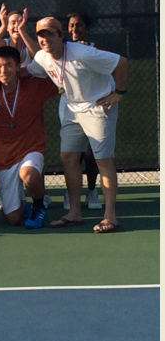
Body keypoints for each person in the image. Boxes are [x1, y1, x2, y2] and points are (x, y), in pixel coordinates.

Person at [23, 17, 127, 233]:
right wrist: (4, 75)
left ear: (61, 36)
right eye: (41, 36)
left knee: (103, 160)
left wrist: (118, 93)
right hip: (72, 108)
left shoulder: (83, 53)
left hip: (98, 106)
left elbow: (121, 62)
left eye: (50, 35)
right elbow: (30, 71)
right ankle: (74, 213)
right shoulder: (42, 56)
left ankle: (110, 217)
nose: (45, 40)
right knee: (68, 157)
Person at [0, 46, 58, 228]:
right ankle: (20, 206)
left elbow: (61, 77)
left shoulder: (35, 86)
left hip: (31, 149)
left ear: (18, 66)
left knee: (28, 174)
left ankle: (39, 206)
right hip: (5, 160)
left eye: (9, 65)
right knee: (14, 220)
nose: (3, 70)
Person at [61, 12, 101, 210]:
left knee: (91, 153)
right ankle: (71, 194)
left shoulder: (96, 50)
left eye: (79, 25)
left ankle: (92, 191)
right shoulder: (62, 49)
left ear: (87, 28)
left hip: (92, 107)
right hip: (69, 107)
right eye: (71, 26)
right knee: (71, 153)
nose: (74, 29)